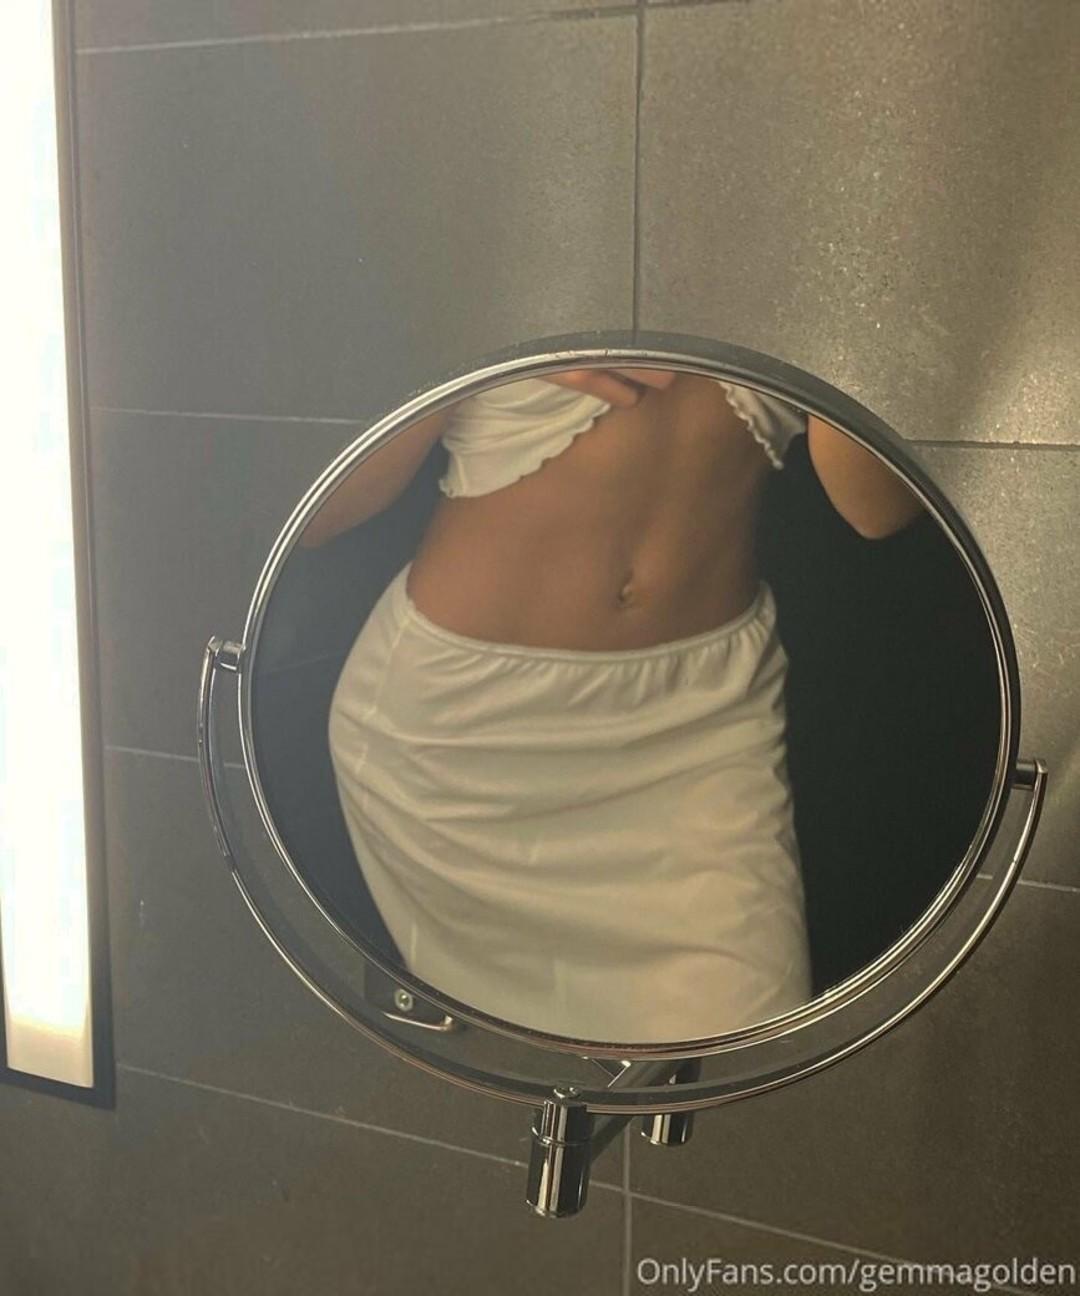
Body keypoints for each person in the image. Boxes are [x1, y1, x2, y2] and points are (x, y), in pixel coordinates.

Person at [302, 368, 923, 1043]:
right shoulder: (474, 289)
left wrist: (821, 335)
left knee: (742, 1065)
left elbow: (876, 510)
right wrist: (502, 345)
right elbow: (319, 514)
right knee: (497, 1078)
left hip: (699, 731)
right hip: (464, 742)